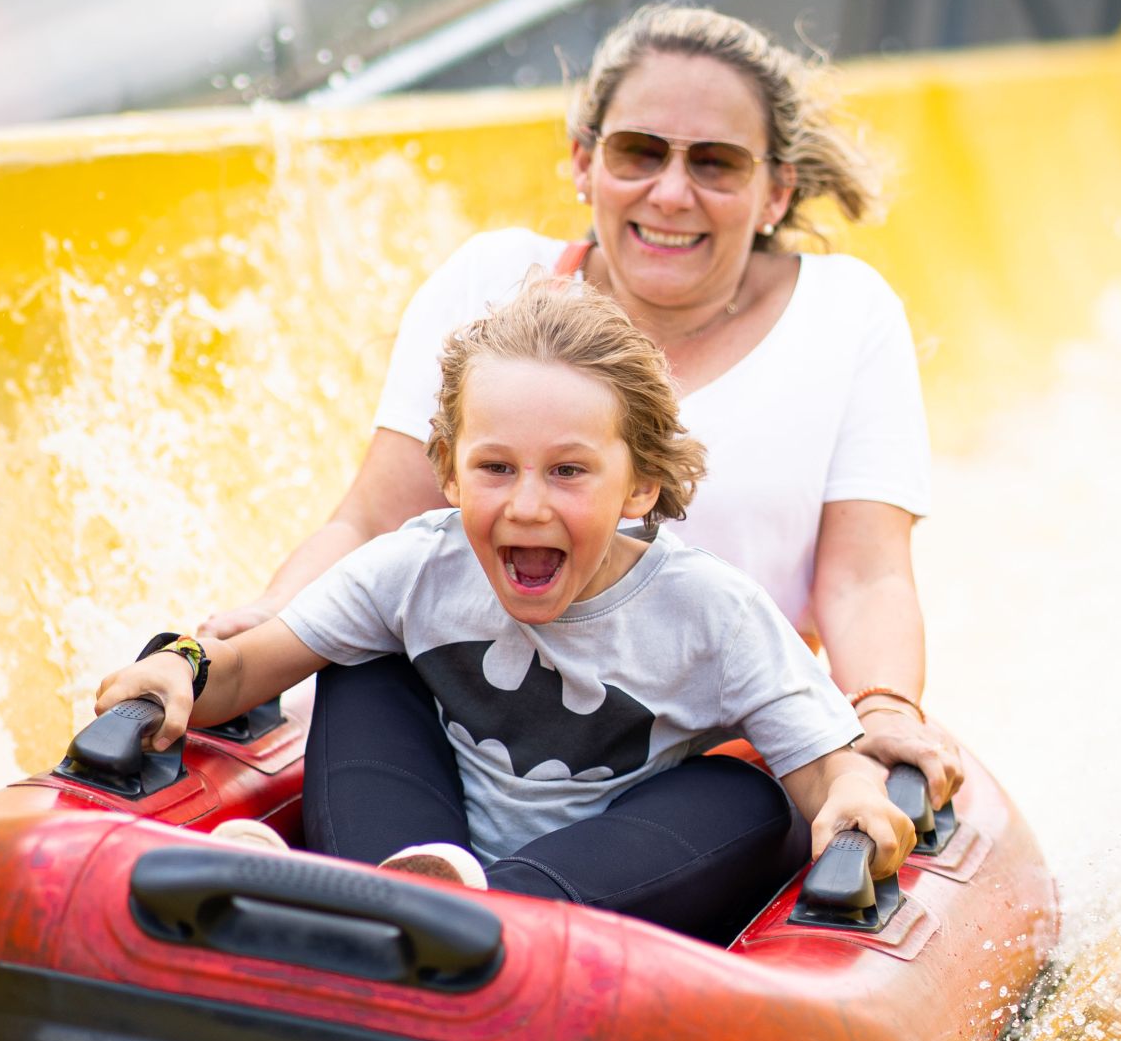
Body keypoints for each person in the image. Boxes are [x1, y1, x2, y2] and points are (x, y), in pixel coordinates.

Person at [202, 2, 965, 810]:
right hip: (463, 719)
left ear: (776, 189)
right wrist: (263, 623)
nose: (672, 193)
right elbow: (374, 524)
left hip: (700, 761)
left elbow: (865, 576)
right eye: (639, 152)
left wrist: (882, 706)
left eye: (717, 163)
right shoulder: (490, 282)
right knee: (364, 677)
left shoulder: (845, 313)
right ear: (583, 162)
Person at [97, 282, 915, 936]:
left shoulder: (711, 613)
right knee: (359, 668)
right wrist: (177, 664)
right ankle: (385, 901)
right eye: (495, 468)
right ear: (449, 473)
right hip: (418, 844)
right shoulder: (419, 566)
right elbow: (243, 666)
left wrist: (850, 795)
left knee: (749, 792)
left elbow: (824, 767)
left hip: (599, 881)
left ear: (641, 484)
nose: (527, 505)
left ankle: (432, 912)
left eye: (568, 471)